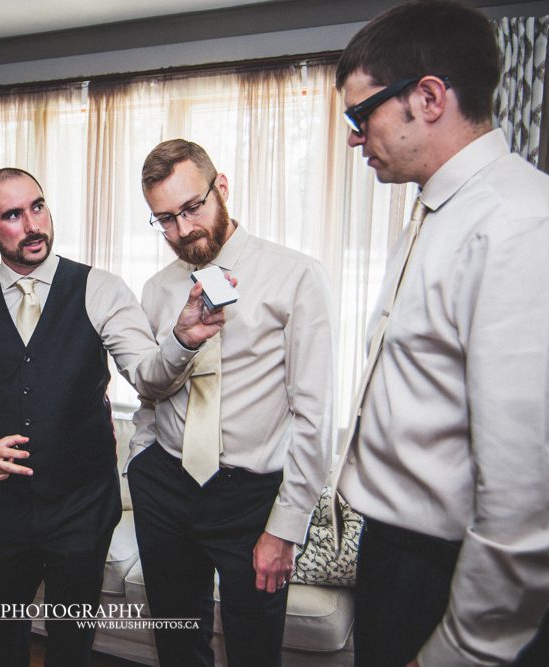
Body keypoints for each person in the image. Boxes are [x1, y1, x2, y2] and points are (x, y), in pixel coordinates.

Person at [331, 2, 549, 665]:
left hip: (446, 571)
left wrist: (461, 651)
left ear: (429, 98)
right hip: (398, 554)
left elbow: (525, 494)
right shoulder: (441, 209)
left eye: (361, 115)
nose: (355, 138)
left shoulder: (519, 225)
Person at [0, 167, 225, 666]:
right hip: (1, 512)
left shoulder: (101, 289)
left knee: (71, 643)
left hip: (82, 507)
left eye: (38, 206)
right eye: (13, 215)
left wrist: (181, 341)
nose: (33, 225)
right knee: (2, 640)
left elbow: (149, 377)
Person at [128, 139, 335, 666]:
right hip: (166, 485)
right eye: (165, 219)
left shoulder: (296, 276)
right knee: (177, 642)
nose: (182, 229)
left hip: (251, 498)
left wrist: (286, 527)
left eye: (191, 207)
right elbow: (150, 393)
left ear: (220, 187)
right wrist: (140, 463)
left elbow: (314, 414)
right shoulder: (157, 289)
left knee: (254, 649)